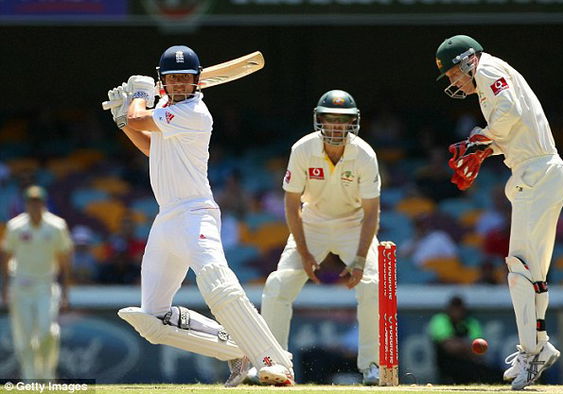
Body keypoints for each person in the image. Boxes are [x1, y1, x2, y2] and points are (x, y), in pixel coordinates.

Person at [106, 45, 294, 386]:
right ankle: (237, 351)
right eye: (173, 79)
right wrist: (124, 119)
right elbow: (151, 145)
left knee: (216, 283)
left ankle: (274, 361)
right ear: (165, 81)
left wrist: (136, 96)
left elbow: (138, 117)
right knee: (153, 319)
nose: (179, 84)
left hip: (195, 213)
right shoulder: (165, 108)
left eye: (186, 79)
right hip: (166, 221)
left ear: (196, 82)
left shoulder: (196, 112)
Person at [435, 35, 563, 390]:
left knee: (518, 269)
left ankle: (531, 350)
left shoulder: (488, 70)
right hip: (538, 172)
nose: (453, 82)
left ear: (467, 61)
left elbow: (508, 114)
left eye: (452, 74)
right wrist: (485, 148)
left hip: (537, 174)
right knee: (532, 271)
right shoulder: (491, 77)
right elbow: (512, 130)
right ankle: (540, 347)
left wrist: (478, 139)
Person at [259, 90, 382, 385]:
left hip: (353, 223)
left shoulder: (365, 155)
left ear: (354, 122)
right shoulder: (303, 149)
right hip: (312, 220)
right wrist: (303, 252)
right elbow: (292, 203)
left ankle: (373, 366)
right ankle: (273, 363)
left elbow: (372, 211)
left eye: (344, 120)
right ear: (320, 121)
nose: (337, 126)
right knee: (278, 284)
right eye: (331, 119)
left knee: (374, 285)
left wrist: (361, 259)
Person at [1, 185, 73, 379]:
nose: (35, 206)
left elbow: (64, 260)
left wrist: (66, 292)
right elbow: (6, 256)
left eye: (38, 202)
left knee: (47, 332)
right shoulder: (15, 227)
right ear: (26, 204)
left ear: (43, 203)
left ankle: (47, 376)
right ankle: (30, 379)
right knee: (24, 338)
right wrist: (5, 288)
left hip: (46, 285)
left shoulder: (56, 226)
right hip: (21, 286)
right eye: (31, 202)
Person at [428, 296, 501, 384]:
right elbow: (450, 347)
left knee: (495, 375)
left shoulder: (471, 323)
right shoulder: (440, 320)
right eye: (454, 309)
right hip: (447, 366)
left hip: (470, 364)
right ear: (449, 309)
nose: (457, 312)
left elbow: (480, 350)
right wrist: (467, 347)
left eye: (459, 309)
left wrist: (460, 345)